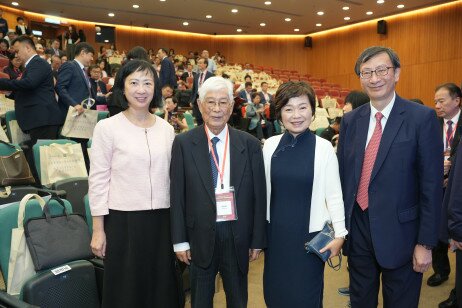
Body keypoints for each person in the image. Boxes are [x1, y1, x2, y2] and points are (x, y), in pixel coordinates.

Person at [337, 46, 443, 307]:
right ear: (360, 78)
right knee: (360, 302)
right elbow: (343, 177)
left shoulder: (422, 118)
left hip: (403, 236)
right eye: (367, 72)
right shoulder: (351, 121)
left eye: (382, 70)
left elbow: (431, 186)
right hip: (359, 230)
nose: (375, 78)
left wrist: (425, 243)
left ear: (396, 73)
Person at [89, 59, 182, 308]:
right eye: (134, 83)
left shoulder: (165, 129)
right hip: (123, 221)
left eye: (147, 83)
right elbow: (98, 181)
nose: (141, 89)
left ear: (156, 88)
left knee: (160, 287)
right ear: (123, 87)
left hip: (162, 220)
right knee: (126, 290)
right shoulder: (107, 128)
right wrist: (98, 230)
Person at [170, 76, 267, 308]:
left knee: (237, 300)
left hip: (237, 236)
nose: (216, 109)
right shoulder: (183, 143)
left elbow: (259, 196)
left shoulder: (250, 144)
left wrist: (257, 239)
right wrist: (180, 241)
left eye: (223, 103)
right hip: (198, 237)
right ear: (201, 106)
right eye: (210, 102)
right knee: (200, 301)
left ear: (232, 107)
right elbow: (177, 195)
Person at [262, 81, 347, 307]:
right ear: (279, 113)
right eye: (288, 109)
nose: (296, 115)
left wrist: (340, 235)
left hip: (309, 239)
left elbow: (335, 196)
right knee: (275, 295)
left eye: (302, 107)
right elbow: (262, 193)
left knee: (305, 298)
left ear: (312, 109)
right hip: (276, 237)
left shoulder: (324, 148)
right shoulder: (269, 146)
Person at [436, 84, 462, 308]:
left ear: (456, 101)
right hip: (437, 187)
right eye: (435, 101)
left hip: (456, 186)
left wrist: (452, 173)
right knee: (438, 231)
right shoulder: (432, 124)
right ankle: (441, 270)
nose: (437, 106)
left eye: (441, 101)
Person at [56, 42, 95, 117]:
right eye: (91, 55)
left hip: (83, 114)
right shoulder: (69, 66)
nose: (92, 59)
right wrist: (74, 104)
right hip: (71, 113)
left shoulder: (83, 70)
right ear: (83, 53)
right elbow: (60, 87)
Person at [189, 57, 213, 125]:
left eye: (200, 63)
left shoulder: (211, 76)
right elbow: (194, 89)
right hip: (196, 100)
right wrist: (191, 100)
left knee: (205, 119)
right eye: (198, 63)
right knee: (198, 119)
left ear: (205, 64)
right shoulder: (196, 76)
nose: (198, 64)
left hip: (206, 99)